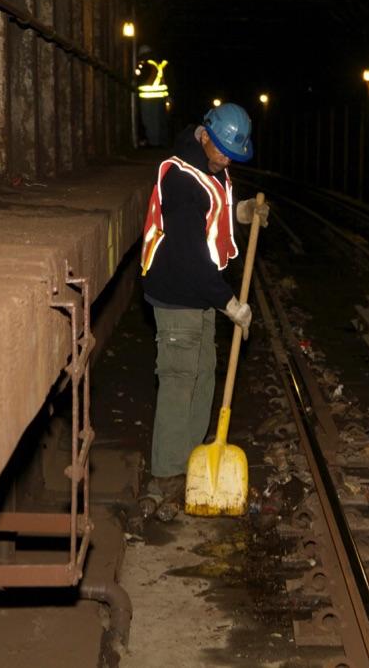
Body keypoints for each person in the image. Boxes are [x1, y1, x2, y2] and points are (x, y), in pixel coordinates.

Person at [138, 102, 269, 520]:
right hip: (177, 293)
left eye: (235, 153)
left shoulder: (210, 167)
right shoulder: (181, 179)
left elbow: (214, 213)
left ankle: (192, 460)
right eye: (224, 150)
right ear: (206, 135)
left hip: (198, 294)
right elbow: (190, 255)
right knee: (179, 382)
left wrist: (243, 212)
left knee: (203, 378)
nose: (228, 159)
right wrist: (230, 304)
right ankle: (165, 477)